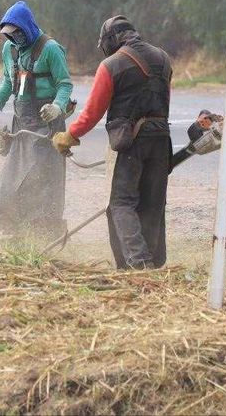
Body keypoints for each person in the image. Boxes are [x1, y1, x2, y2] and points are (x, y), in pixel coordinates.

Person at [52, 16, 173, 270]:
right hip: (161, 140)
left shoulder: (112, 65)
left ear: (111, 41)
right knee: (153, 203)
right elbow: (164, 101)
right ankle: (150, 261)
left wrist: (70, 134)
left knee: (120, 203)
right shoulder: (163, 58)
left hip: (131, 143)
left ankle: (139, 265)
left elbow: (93, 110)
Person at [0, 1, 73, 237]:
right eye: (9, 35)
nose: (14, 39)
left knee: (40, 181)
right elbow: (8, 83)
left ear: (27, 27)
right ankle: (18, 232)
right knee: (11, 183)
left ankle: (44, 234)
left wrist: (57, 107)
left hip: (47, 126)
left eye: (18, 33)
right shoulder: (9, 50)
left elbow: (65, 84)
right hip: (21, 126)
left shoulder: (51, 49)